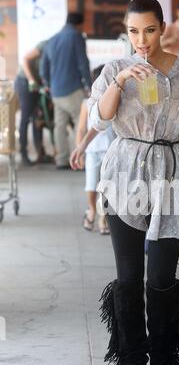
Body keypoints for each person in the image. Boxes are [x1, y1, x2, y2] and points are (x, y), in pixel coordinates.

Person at [70, 0, 179, 365]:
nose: (142, 40)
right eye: (134, 31)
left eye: (150, 30)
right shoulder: (116, 69)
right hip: (126, 178)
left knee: (161, 278)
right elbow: (100, 119)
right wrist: (120, 82)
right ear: (127, 30)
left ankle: (162, 357)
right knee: (128, 278)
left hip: (172, 176)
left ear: (163, 27)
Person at [40, 12, 91, 169]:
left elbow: (43, 66)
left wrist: (48, 83)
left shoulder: (52, 39)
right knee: (80, 122)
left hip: (56, 91)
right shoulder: (76, 36)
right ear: (79, 24)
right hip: (72, 89)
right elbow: (83, 63)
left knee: (59, 125)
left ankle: (61, 160)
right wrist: (89, 85)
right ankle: (79, 159)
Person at [75, 65, 115, 234]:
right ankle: (92, 209)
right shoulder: (87, 103)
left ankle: (103, 217)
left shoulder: (116, 100)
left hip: (111, 151)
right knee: (91, 186)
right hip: (92, 150)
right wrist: (80, 151)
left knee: (106, 187)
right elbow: (81, 128)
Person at [15, 41, 52, 166]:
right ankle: (23, 154)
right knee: (25, 118)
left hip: (38, 83)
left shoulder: (58, 52)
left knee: (38, 118)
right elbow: (25, 58)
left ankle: (40, 153)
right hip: (25, 81)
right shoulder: (45, 45)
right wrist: (31, 79)